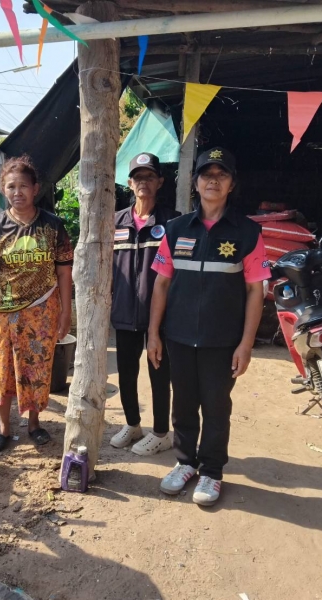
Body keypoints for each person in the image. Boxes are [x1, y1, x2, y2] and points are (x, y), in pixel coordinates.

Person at [147, 147, 270, 506]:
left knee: (216, 407)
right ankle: (186, 463)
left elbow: (255, 291)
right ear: (195, 182)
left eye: (221, 174)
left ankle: (212, 471)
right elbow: (161, 285)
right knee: (183, 403)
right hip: (179, 337)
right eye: (206, 174)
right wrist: (154, 334)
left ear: (232, 184)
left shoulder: (247, 233)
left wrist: (246, 343)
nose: (213, 180)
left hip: (223, 340)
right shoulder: (175, 229)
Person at [0, 155, 73, 454]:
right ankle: (4, 428)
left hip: (42, 311)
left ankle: (34, 424)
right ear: (3, 189)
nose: (17, 192)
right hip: (3, 313)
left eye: (23, 186)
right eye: (11, 186)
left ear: (35, 189)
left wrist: (66, 311)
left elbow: (64, 273)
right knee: (2, 371)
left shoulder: (53, 226)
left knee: (37, 369)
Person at [110, 153, 179, 455]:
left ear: (160, 182)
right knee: (126, 372)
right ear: (129, 183)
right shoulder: (115, 222)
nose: (143, 182)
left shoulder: (173, 222)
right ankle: (132, 424)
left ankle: (161, 432)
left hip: (161, 316)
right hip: (124, 312)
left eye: (149, 176)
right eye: (138, 177)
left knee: (159, 374)